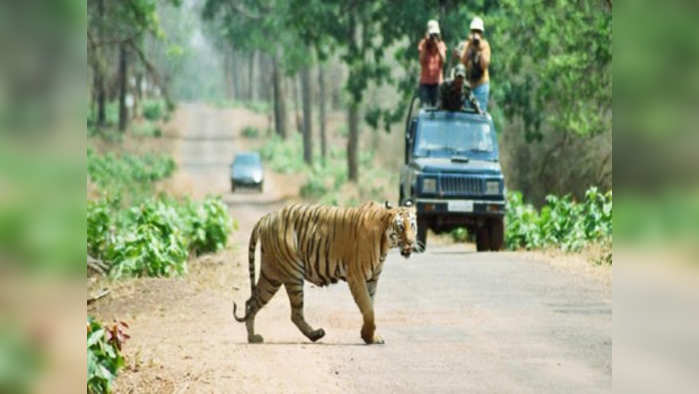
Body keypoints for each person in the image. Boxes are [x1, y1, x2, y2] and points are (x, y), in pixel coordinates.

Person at [460, 17, 491, 111]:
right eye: (474, 31)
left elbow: (484, 65)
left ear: (482, 33)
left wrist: (479, 50)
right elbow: (463, 62)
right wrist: (470, 47)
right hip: (468, 86)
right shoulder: (467, 45)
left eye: (478, 31)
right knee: (466, 113)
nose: (476, 34)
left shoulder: (485, 45)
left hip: (481, 86)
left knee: (479, 114)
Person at [418, 19, 446, 107]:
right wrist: (426, 44)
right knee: (424, 107)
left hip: (437, 83)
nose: (433, 37)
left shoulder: (441, 44)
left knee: (437, 107)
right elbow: (421, 60)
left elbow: (443, 60)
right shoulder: (423, 44)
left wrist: (437, 46)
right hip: (425, 82)